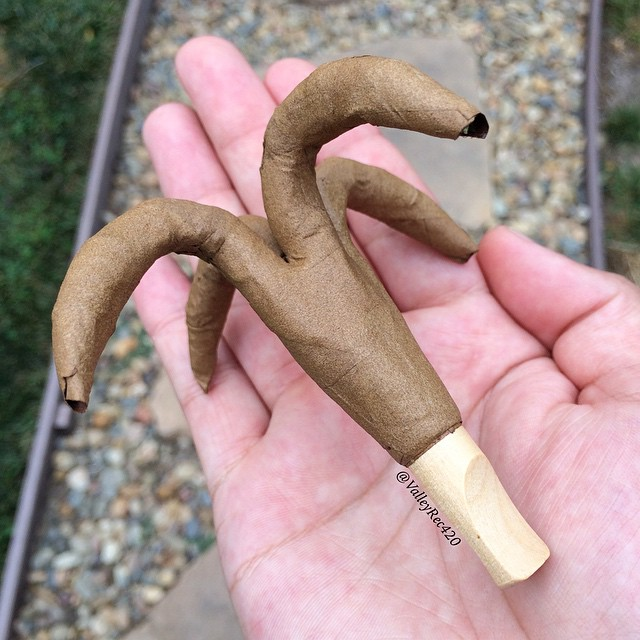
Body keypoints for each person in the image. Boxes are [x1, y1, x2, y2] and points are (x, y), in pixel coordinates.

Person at [133, 36, 640, 638]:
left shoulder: (324, 186)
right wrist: (454, 238)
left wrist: (452, 191)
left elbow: (341, 163)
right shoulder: (272, 221)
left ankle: (500, 542)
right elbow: (218, 262)